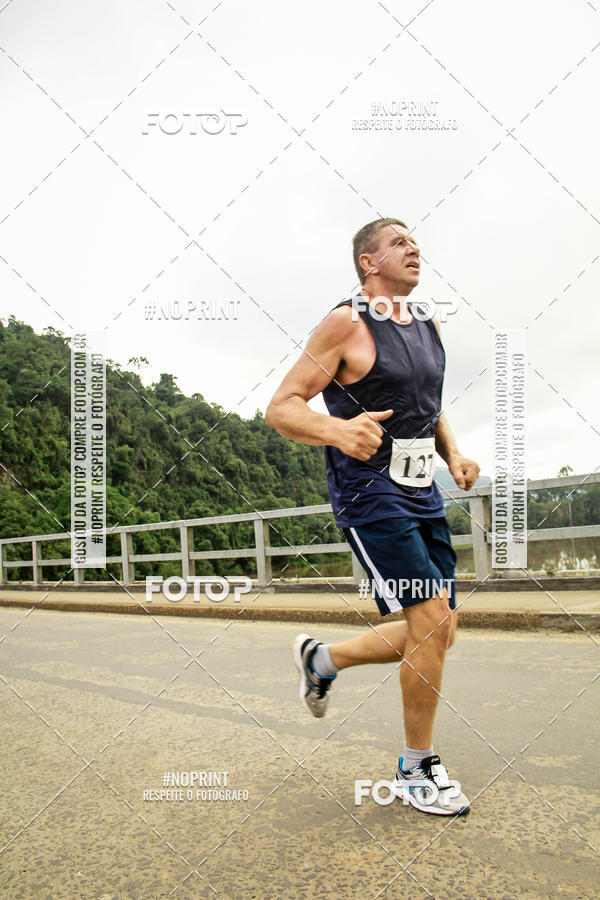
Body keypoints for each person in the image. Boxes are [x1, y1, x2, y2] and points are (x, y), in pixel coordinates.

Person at [265, 217, 480, 816]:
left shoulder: (427, 323)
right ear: (368, 262)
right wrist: (336, 428)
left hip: (421, 491)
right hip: (369, 493)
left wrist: (454, 453)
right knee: (432, 623)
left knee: (439, 629)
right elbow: (281, 408)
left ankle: (322, 659)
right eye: (398, 242)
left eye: (416, 240)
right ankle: (417, 770)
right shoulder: (345, 322)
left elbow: (428, 407)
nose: (414, 248)